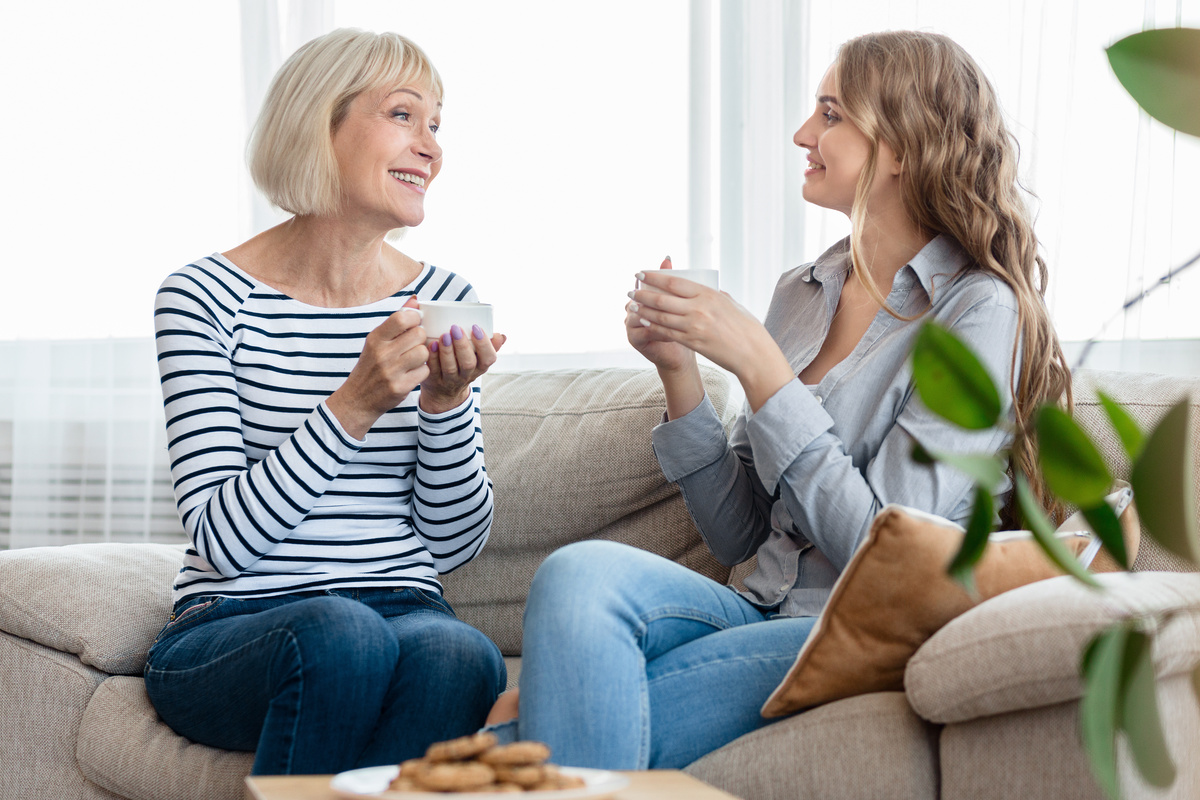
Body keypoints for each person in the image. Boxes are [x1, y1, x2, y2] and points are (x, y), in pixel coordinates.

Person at [485, 30, 1071, 769]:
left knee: (525, 736)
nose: (803, 134)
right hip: (756, 608)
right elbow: (739, 537)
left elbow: (883, 556)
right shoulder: (801, 292)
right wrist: (680, 372)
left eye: (830, 113)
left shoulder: (978, 312)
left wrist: (765, 373)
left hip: (857, 628)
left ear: (898, 147)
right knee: (575, 573)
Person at [145, 29, 508, 776]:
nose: (432, 147)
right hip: (236, 626)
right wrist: (355, 403)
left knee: (461, 653)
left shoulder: (446, 299)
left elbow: (452, 547)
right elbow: (222, 538)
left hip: (405, 608)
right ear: (321, 123)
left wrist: (444, 405)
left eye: (437, 124)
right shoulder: (202, 298)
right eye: (404, 115)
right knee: (343, 635)